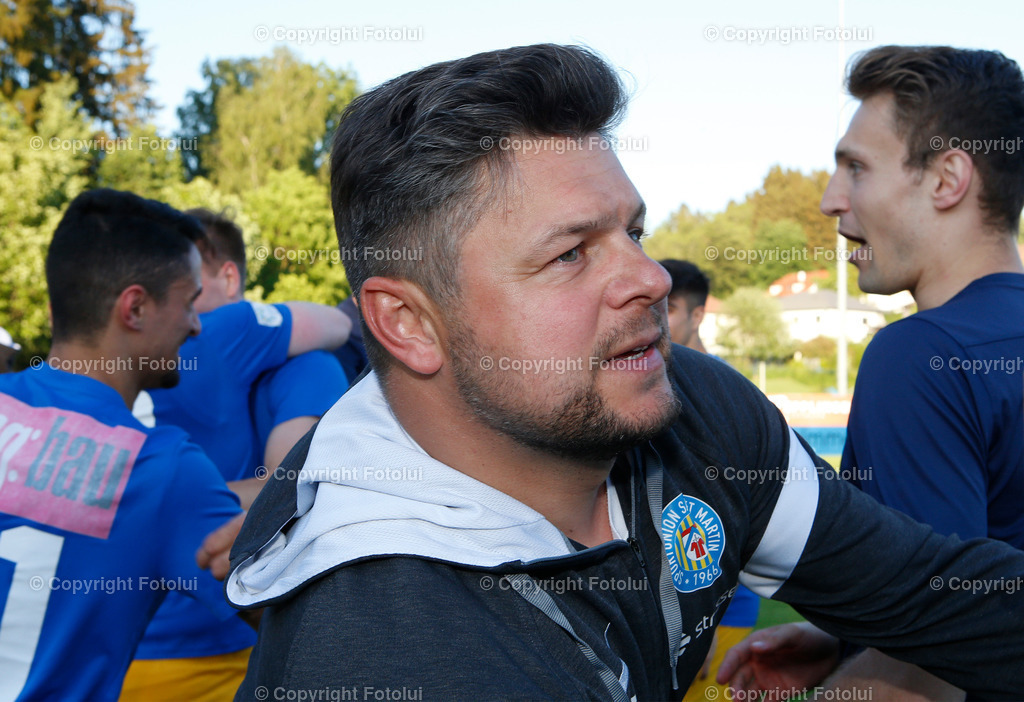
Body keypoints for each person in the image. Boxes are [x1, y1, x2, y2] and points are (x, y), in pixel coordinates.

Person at [225, 44, 1024, 699]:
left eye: (633, 231)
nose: (649, 278)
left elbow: (935, 595)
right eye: (570, 253)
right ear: (408, 323)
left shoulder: (697, 414)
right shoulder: (386, 655)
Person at [719, 45, 1024, 700]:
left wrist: (874, 674)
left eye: (855, 168)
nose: (831, 200)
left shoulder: (920, 357)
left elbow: (938, 654)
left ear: (947, 179)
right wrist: (849, 642)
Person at [0, 189, 245, 700]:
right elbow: (309, 623)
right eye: (189, 303)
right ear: (134, 308)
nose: (196, 325)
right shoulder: (164, 471)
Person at [121, 208, 352, 702]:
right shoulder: (255, 338)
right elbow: (291, 494)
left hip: (110, 641)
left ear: (226, 276)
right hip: (220, 645)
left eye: (186, 282)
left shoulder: (129, 346)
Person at [659, 259, 761, 700]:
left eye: (670, 307)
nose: (653, 316)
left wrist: (708, 622)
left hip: (721, 611)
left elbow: (745, 508)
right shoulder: (640, 386)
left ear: (696, 315)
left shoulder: (727, 395)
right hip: (661, 613)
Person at [661, 259, 711, 353]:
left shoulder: (718, 368)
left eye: (667, 309)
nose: (653, 318)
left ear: (697, 316)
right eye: (650, 308)